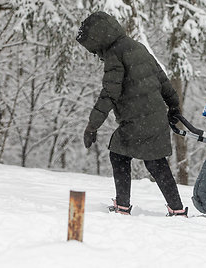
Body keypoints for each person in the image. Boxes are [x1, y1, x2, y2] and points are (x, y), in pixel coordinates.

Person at [76, 11, 187, 217]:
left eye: (93, 49)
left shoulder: (115, 55)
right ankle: (177, 209)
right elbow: (162, 79)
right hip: (154, 117)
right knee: (156, 163)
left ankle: (123, 207)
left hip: (138, 121)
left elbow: (109, 93)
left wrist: (92, 126)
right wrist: (173, 107)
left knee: (119, 155)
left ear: (99, 39)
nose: (94, 54)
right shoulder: (138, 47)